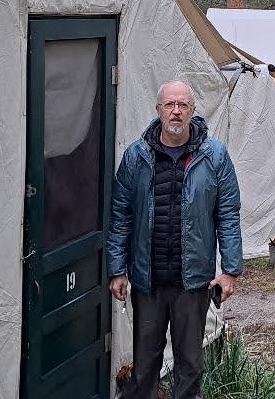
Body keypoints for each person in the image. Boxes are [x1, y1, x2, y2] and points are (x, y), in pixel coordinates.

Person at [106, 80, 243, 399]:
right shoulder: (136, 156)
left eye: (183, 105)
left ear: (193, 111)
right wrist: (116, 269)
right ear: (158, 110)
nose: (176, 111)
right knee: (144, 367)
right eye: (170, 104)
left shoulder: (215, 156)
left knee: (190, 365)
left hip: (192, 281)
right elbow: (120, 215)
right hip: (147, 280)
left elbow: (228, 214)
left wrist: (230, 270)